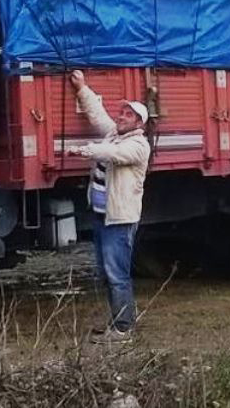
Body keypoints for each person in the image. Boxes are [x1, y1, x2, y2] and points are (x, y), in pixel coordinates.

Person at [66, 70, 151, 345]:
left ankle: (124, 330)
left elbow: (111, 155)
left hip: (119, 220)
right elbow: (98, 114)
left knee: (117, 274)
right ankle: (118, 322)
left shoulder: (138, 146)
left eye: (127, 115)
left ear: (139, 123)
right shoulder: (114, 134)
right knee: (106, 272)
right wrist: (82, 88)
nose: (120, 117)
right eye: (122, 112)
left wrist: (82, 151)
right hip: (103, 216)